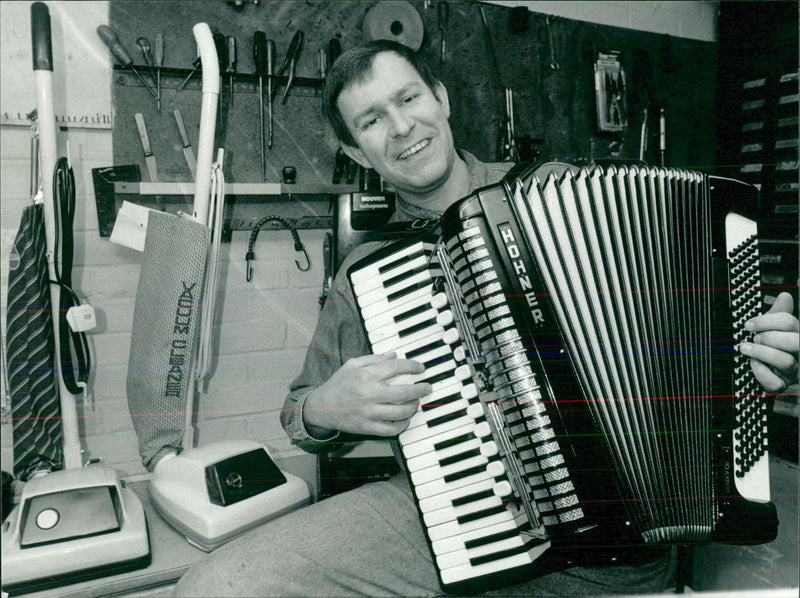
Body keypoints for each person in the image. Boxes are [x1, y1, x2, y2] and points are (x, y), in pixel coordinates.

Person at [175, 40, 799, 597]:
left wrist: (756, 360)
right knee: (215, 586)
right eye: (371, 120)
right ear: (354, 151)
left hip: (618, 547)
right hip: (460, 508)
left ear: (441, 99)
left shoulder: (559, 192)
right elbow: (299, 411)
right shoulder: (368, 267)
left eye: (408, 98)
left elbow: (686, 327)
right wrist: (324, 409)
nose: (401, 126)